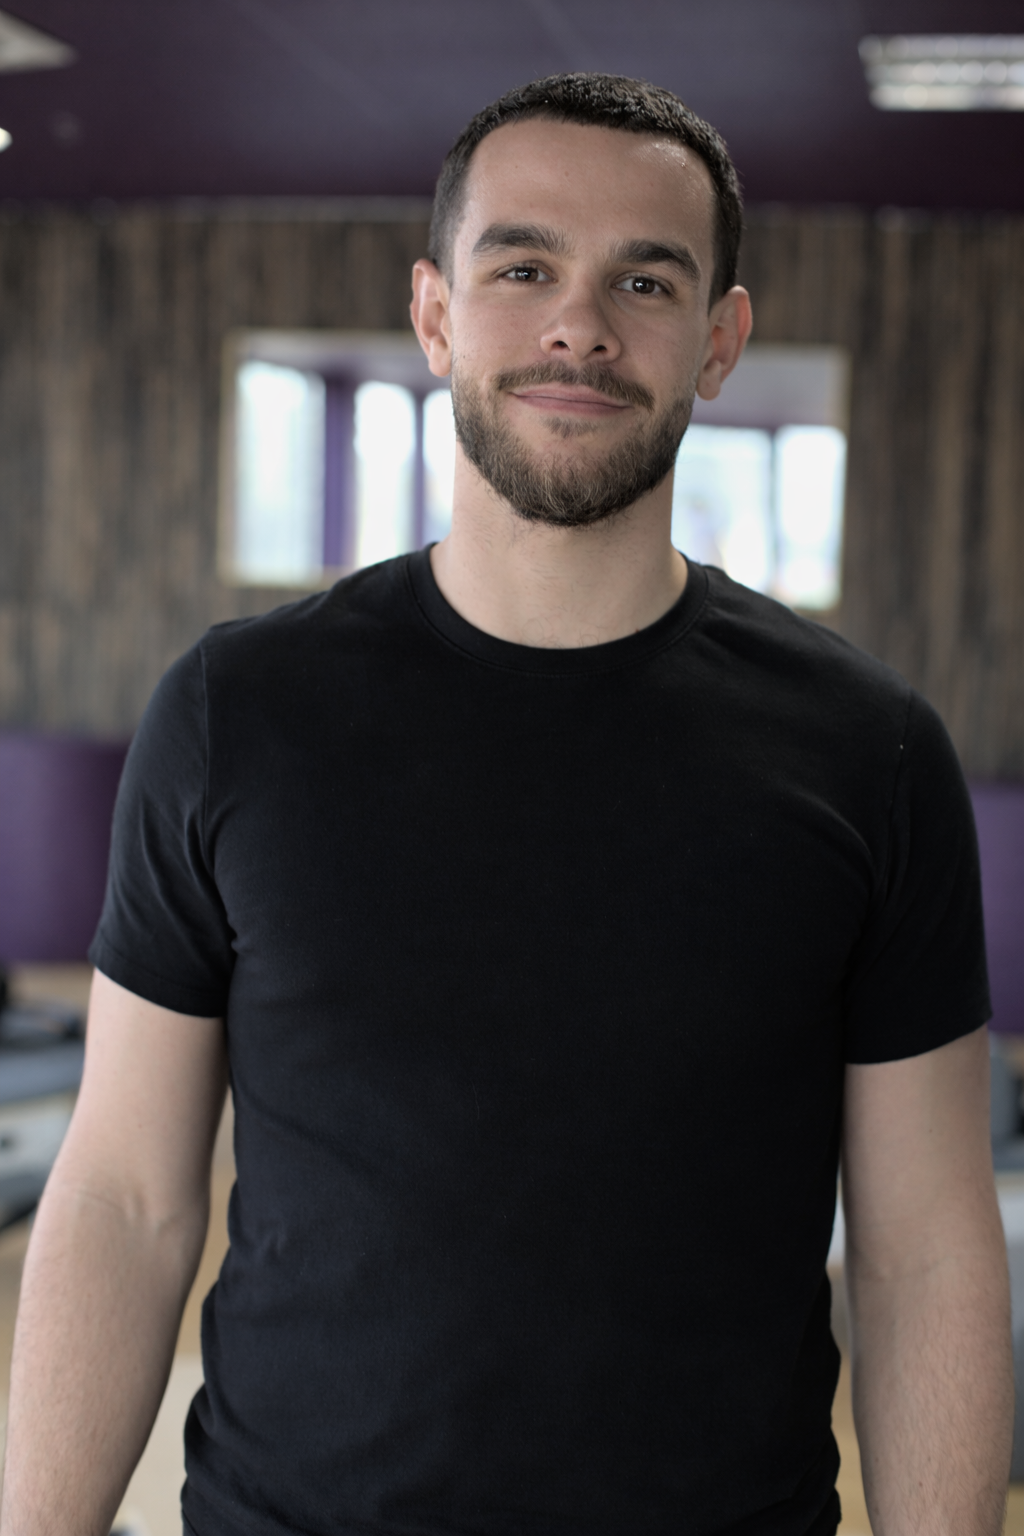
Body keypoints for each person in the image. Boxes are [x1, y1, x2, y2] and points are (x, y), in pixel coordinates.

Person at [0, 72, 1012, 1536]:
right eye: (523, 265)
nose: (577, 326)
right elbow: (121, 1198)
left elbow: (925, 1250)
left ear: (721, 339)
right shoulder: (236, 714)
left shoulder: (873, 754)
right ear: (433, 314)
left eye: (644, 280)